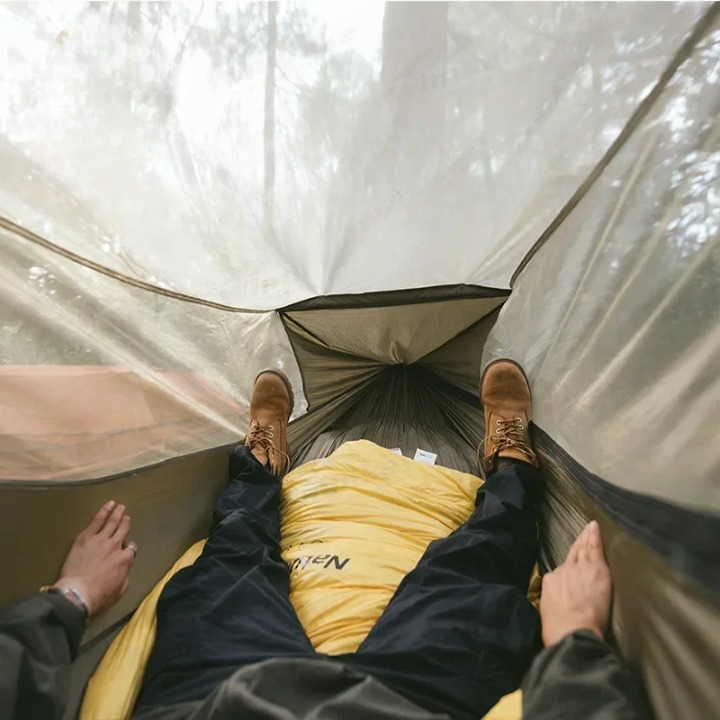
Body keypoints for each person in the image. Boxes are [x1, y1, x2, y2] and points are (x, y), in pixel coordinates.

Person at [0, 360, 651, 720]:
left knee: (230, 562)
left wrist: (70, 599)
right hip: (417, 707)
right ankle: (513, 468)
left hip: (211, 703)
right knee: (472, 576)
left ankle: (259, 466)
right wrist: (575, 644)